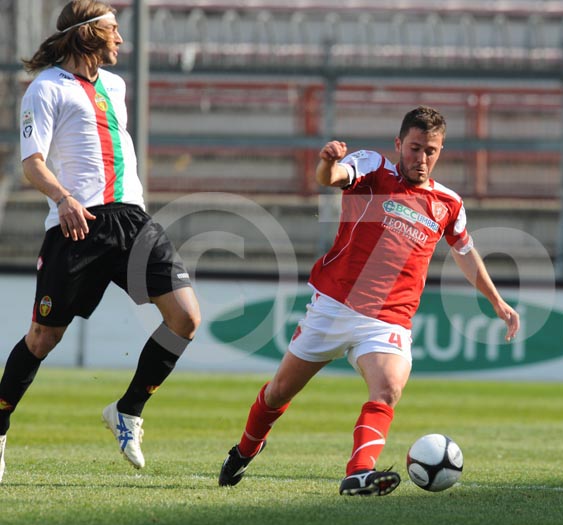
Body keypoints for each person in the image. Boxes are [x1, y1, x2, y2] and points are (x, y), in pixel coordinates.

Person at [218, 105, 520, 496]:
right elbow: (332, 178)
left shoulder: (448, 203)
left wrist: (496, 301)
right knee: (279, 392)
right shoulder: (374, 167)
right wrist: (328, 163)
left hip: (389, 319)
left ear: (440, 151)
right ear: (399, 144)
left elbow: (464, 251)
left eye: (430, 151)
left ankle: (358, 473)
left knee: (388, 389)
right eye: (414, 148)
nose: (421, 158)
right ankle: (244, 450)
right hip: (335, 305)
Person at [0, 0, 201, 483]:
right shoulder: (45, 88)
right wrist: (64, 198)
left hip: (132, 218)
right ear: (88, 34)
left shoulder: (116, 85)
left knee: (186, 318)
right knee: (43, 338)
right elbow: (32, 163)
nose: (120, 39)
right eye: (113, 30)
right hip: (78, 224)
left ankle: (128, 410)